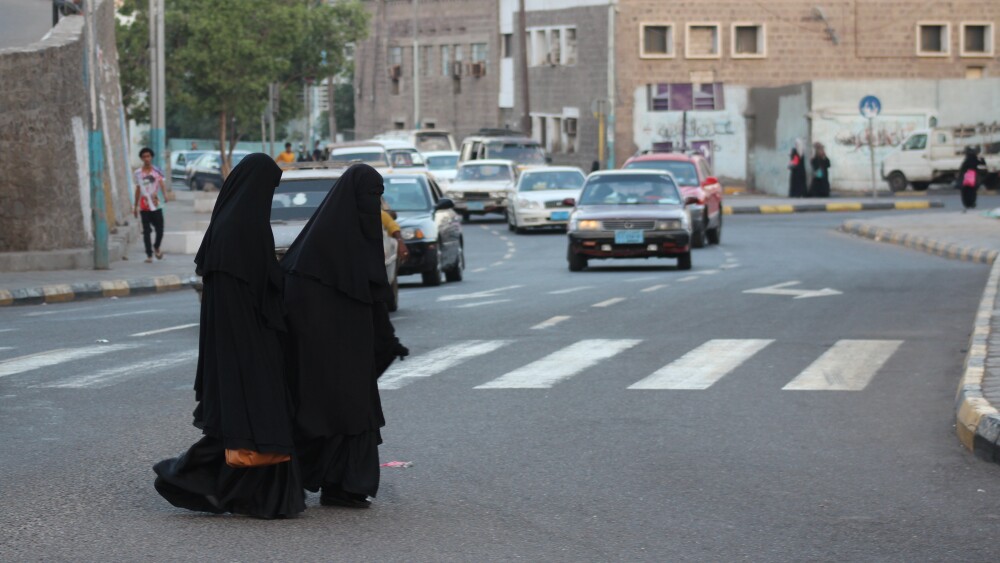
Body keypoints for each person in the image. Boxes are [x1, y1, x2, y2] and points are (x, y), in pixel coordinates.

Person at [153, 154, 305, 520]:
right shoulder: (244, 230)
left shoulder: (229, 227)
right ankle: (187, 475)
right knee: (255, 422)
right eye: (270, 189)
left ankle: (237, 493)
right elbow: (258, 292)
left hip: (237, 343)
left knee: (245, 424)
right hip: (248, 344)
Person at [280, 164, 408, 509]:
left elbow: (375, 299)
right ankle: (328, 480)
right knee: (330, 414)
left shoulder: (360, 241)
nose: (373, 203)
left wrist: (387, 341)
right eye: (371, 196)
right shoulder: (314, 252)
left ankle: (345, 485)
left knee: (355, 414)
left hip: (352, 353)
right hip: (321, 355)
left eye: (378, 197)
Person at [133, 147, 166, 263]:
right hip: (144, 205)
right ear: (141, 158)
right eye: (144, 156)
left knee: (160, 229)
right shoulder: (137, 173)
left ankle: (156, 246)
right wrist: (135, 206)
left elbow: (161, 183)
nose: (147, 158)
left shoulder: (157, 171)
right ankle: (149, 254)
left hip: (156, 204)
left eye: (148, 156)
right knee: (146, 231)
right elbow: (138, 189)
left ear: (151, 157)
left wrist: (165, 196)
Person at [958, 147, 985, 212]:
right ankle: (972, 203)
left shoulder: (966, 160)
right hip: (973, 178)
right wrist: (982, 159)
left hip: (966, 179)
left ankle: (967, 204)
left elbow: (962, 169)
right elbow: (983, 164)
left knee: (965, 192)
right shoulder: (975, 159)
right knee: (973, 192)